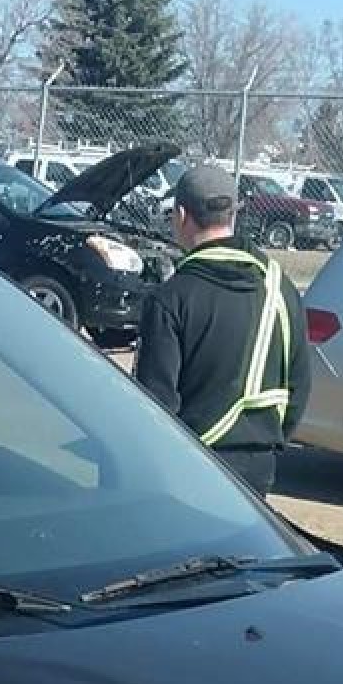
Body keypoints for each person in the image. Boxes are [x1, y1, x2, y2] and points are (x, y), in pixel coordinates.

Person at [132, 160, 309, 497]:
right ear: (233, 214)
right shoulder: (280, 288)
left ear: (181, 216)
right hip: (259, 470)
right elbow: (299, 386)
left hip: (191, 470)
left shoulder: (171, 298)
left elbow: (156, 403)